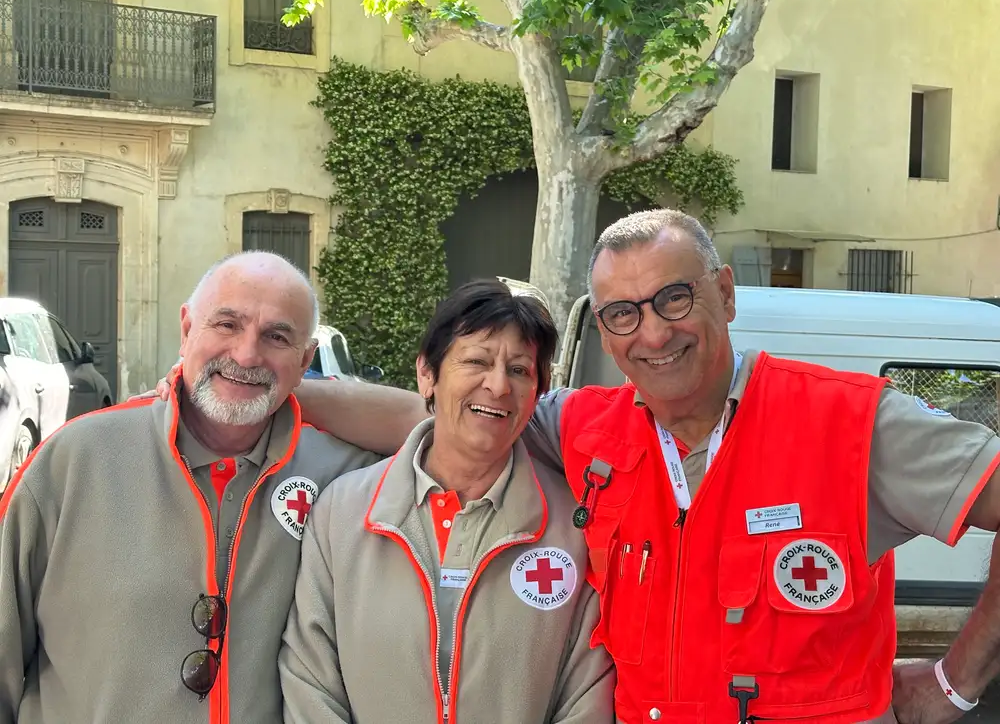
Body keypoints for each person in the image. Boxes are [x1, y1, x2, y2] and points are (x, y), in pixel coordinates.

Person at [285, 210, 1000, 724]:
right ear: (603, 329)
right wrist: (268, 389)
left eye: (674, 298)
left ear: (724, 292)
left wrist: (957, 680)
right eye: (623, 312)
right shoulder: (583, 427)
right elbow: (447, 416)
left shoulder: (850, 423)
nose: (654, 332)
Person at [0, 252, 405, 724]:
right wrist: (250, 379)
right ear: (187, 329)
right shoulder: (76, 458)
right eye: (227, 325)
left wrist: (270, 385)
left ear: (307, 359)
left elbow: (449, 427)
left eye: (277, 337)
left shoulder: (343, 475)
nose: (248, 352)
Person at [278, 279, 615, 723]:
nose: (497, 386)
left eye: (519, 370)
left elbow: (587, 695)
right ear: (427, 374)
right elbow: (310, 682)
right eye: (476, 361)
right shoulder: (342, 513)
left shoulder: (573, 528)